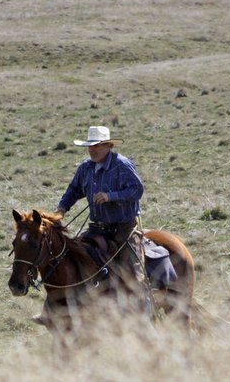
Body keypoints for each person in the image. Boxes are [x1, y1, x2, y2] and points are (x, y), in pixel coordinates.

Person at [54, 125, 152, 318]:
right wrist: (61, 209)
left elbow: (137, 190)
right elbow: (74, 190)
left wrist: (110, 196)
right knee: (71, 259)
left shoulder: (122, 165)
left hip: (124, 229)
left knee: (134, 276)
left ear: (108, 145)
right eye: (90, 146)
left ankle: (144, 316)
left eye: (97, 145)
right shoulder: (86, 168)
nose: (92, 150)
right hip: (97, 229)